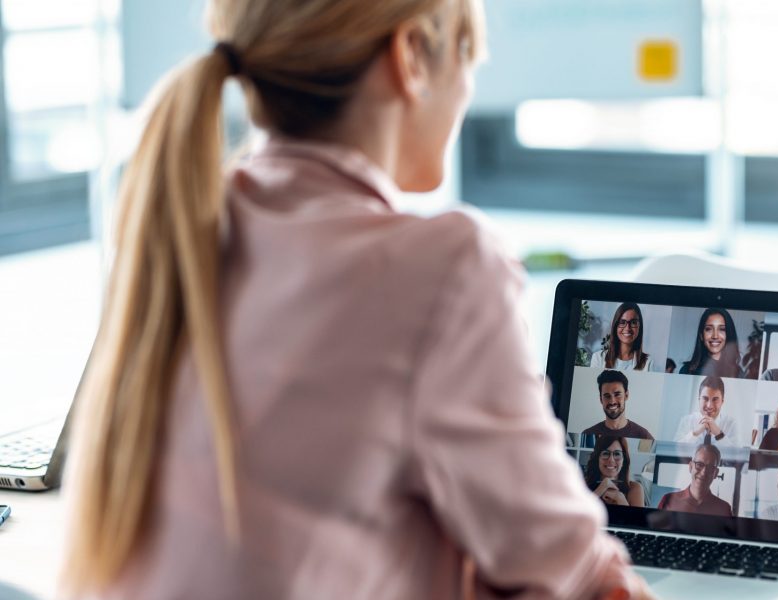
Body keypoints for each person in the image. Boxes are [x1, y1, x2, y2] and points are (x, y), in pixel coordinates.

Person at [59, 1, 649, 598]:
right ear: (412, 55)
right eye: (468, 56)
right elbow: (572, 574)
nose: (469, 87)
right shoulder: (445, 270)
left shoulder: (188, 228)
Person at [657, 444, 733, 517]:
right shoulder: (668, 500)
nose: (704, 472)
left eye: (710, 467)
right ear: (690, 467)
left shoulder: (724, 509)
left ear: (715, 473)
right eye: (699, 464)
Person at [582, 370, 654, 440]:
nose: (612, 401)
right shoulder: (587, 434)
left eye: (617, 395)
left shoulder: (644, 436)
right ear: (601, 399)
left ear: (626, 395)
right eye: (607, 396)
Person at [674, 375, 740, 448]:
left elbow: (735, 455)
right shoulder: (686, 421)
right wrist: (694, 433)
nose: (709, 406)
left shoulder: (731, 424)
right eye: (705, 398)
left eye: (715, 399)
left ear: (722, 401)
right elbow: (674, 450)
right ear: (699, 399)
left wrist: (719, 434)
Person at [590, 302, 655, 371]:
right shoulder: (598, 358)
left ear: (640, 327)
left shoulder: (648, 362)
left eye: (633, 322)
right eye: (622, 322)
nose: (627, 328)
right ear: (615, 326)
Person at [584, 436, 646, 508]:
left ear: (624, 460)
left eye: (617, 454)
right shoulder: (583, 484)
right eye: (605, 453)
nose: (611, 460)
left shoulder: (635, 488)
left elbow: (638, 519)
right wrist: (599, 490)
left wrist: (621, 499)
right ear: (597, 458)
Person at [679, 308, 742, 378]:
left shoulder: (738, 373)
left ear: (729, 334)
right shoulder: (686, 370)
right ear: (701, 335)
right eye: (708, 329)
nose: (715, 336)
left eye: (722, 329)